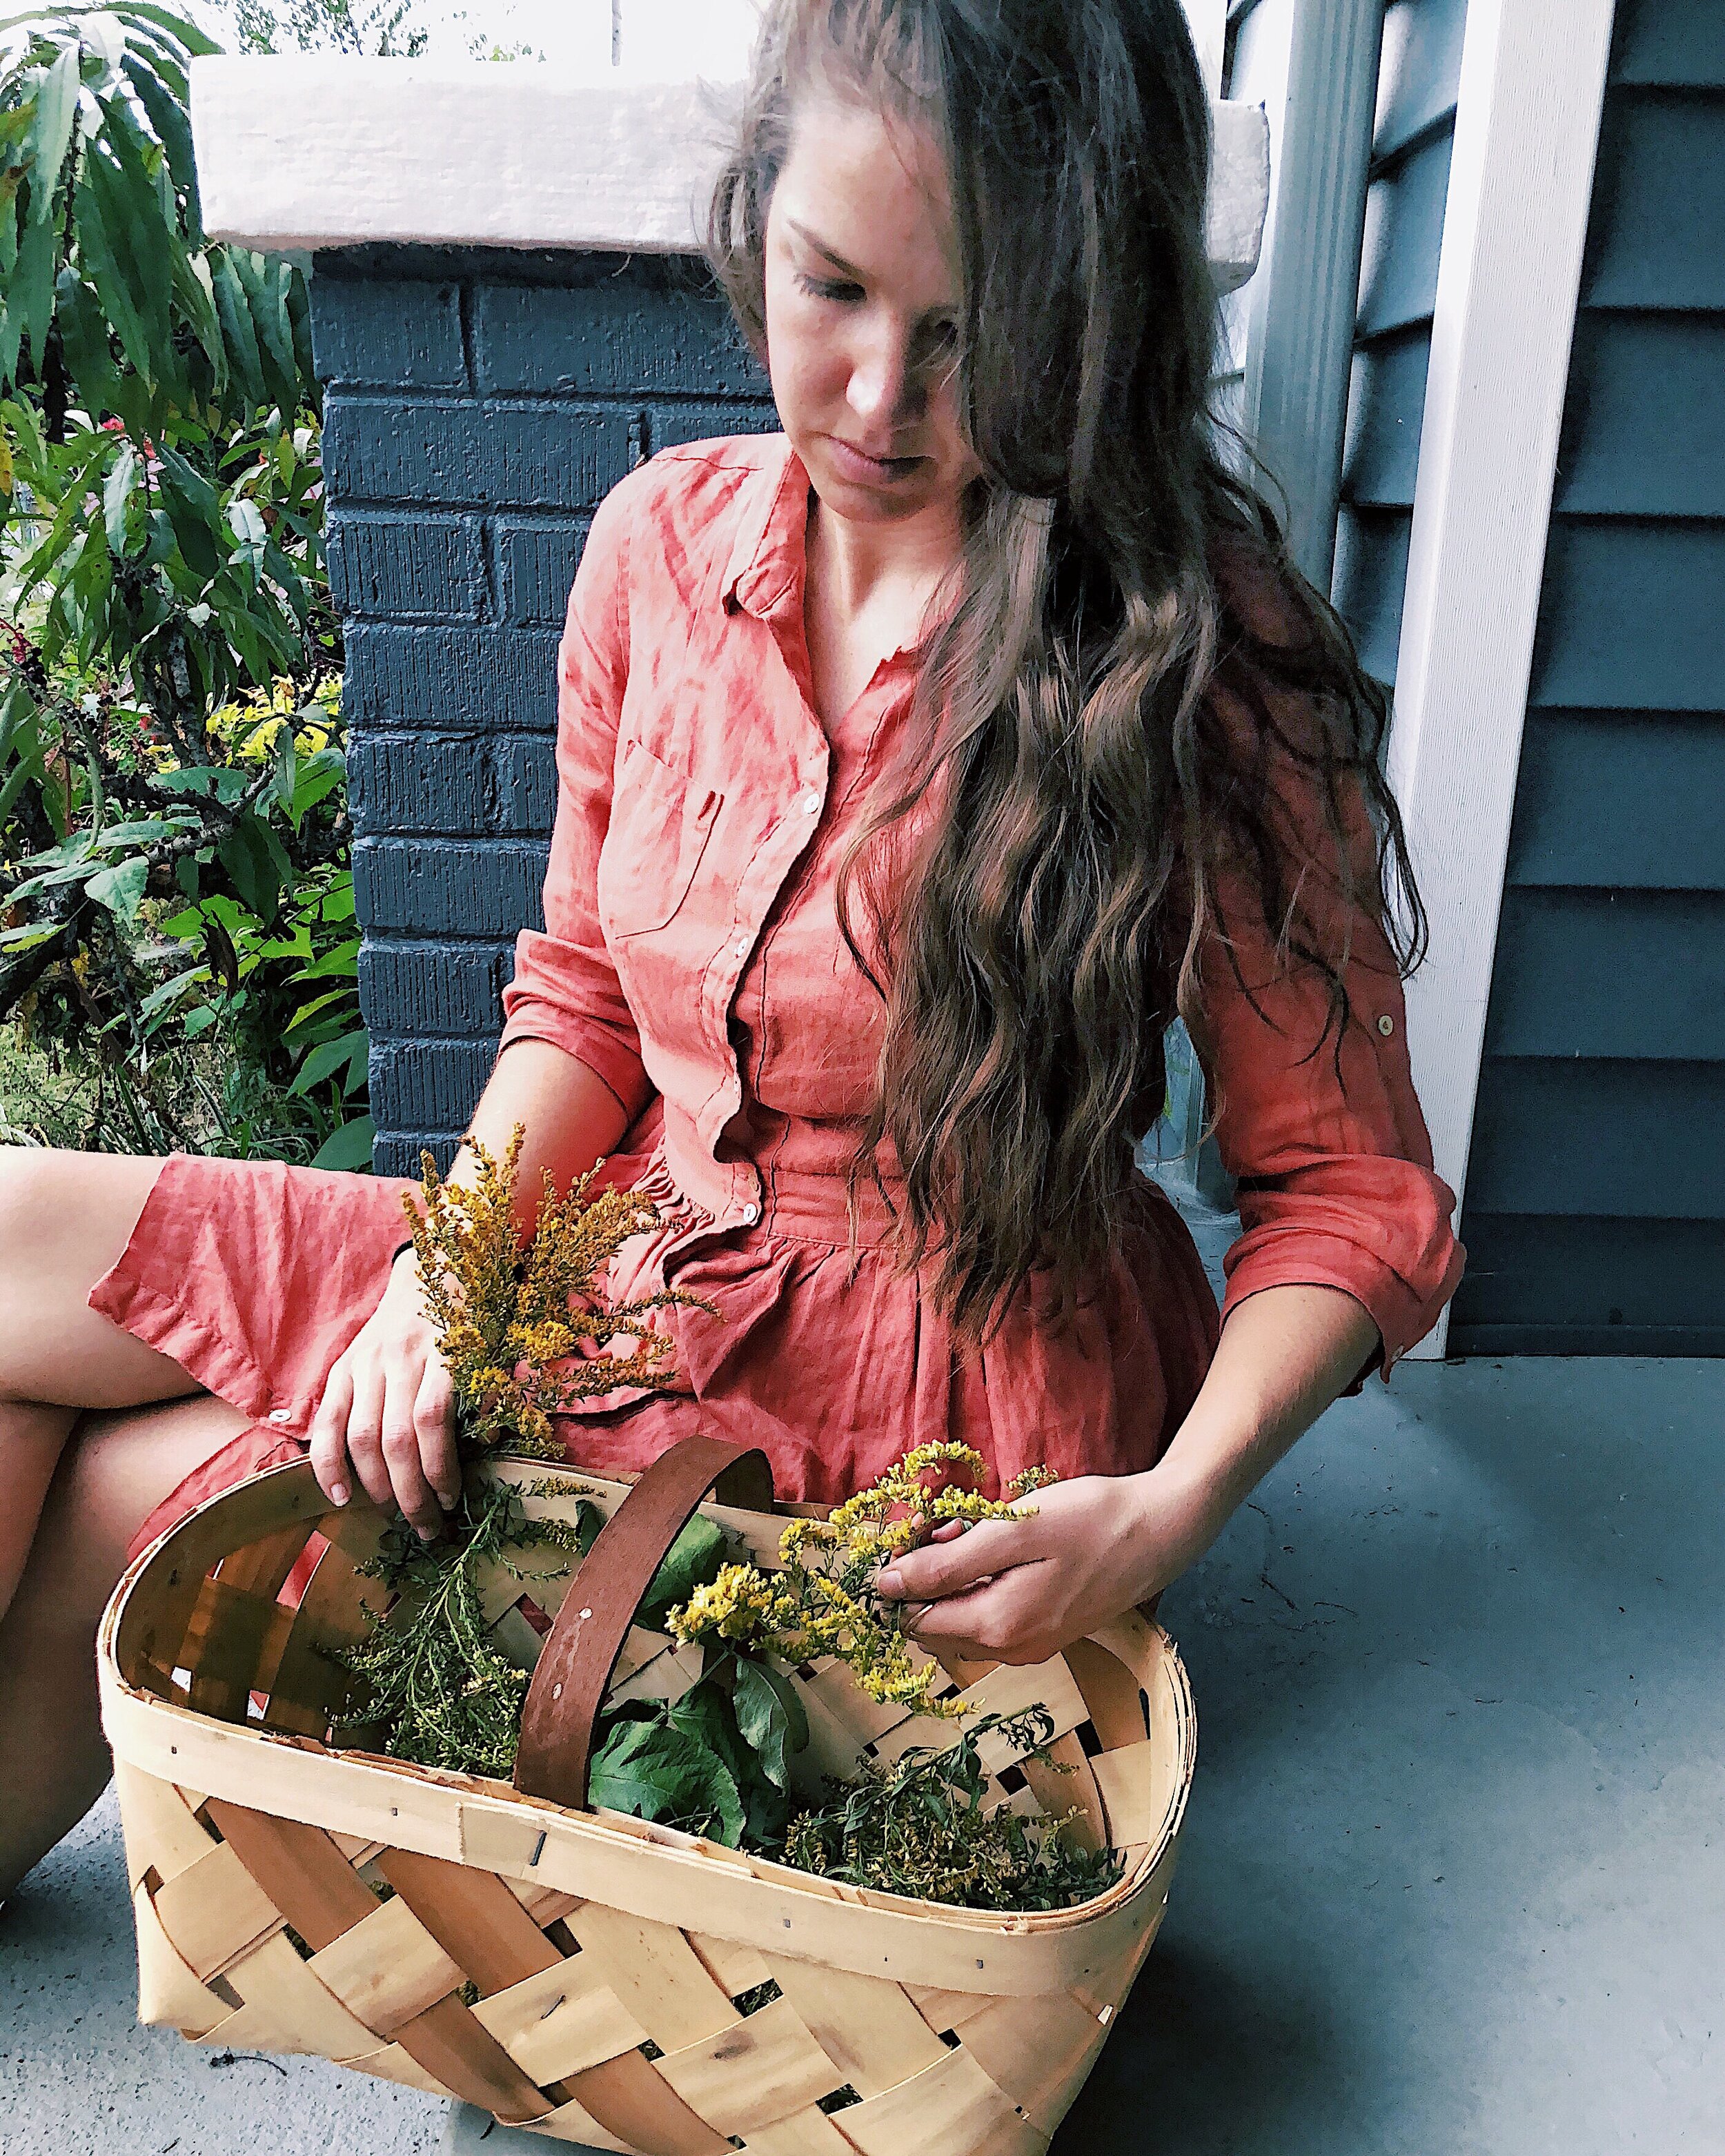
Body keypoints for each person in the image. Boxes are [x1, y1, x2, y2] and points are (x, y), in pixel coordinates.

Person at [0, 0, 1462, 1903]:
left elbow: (1349, 1191)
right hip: (619, 1251)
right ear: (755, 220)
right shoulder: (654, 548)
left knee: (119, 1483)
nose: (872, 398)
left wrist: (1161, 1520)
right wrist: (447, 1282)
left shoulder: (1197, 658)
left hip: (916, 1410)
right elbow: (587, 1005)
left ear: (1094, 314)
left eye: (966, 333)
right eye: (829, 289)